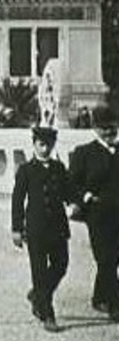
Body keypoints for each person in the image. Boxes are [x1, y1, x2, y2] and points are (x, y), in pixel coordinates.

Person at [11, 125, 72, 332]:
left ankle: (38, 295)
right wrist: (16, 228)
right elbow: (17, 200)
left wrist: (77, 202)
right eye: (41, 144)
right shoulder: (26, 170)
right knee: (38, 270)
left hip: (57, 226)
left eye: (49, 145)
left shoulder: (59, 168)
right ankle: (47, 314)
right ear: (34, 144)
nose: (45, 149)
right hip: (36, 228)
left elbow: (67, 192)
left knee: (61, 264)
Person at [68, 105, 119, 320]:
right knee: (105, 257)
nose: (110, 133)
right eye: (105, 128)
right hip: (98, 214)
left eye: (113, 128)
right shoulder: (84, 153)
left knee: (113, 258)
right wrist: (86, 198)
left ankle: (100, 297)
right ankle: (115, 305)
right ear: (95, 128)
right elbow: (71, 184)